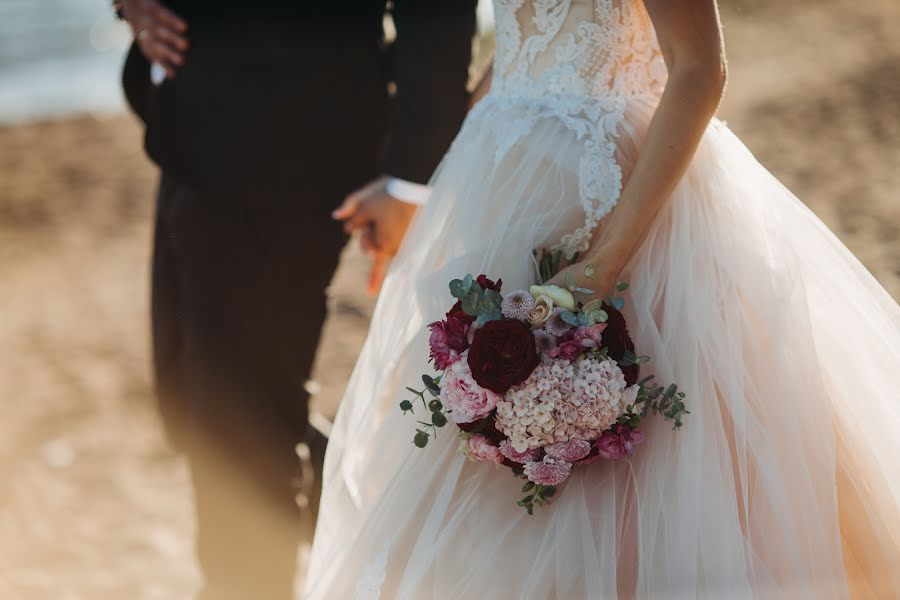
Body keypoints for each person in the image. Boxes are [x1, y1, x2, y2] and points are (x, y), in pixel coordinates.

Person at [305, 1, 900, 598]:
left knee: (638, 467)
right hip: (497, 184)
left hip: (616, 196)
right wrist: (423, 189)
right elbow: (521, 48)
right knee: (477, 451)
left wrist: (606, 259)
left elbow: (699, 69)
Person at [116, 1, 477, 598]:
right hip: (189, 136)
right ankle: (381, 555)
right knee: (191, 401)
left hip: (288, 153)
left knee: (235, 434)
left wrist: (408, 178)